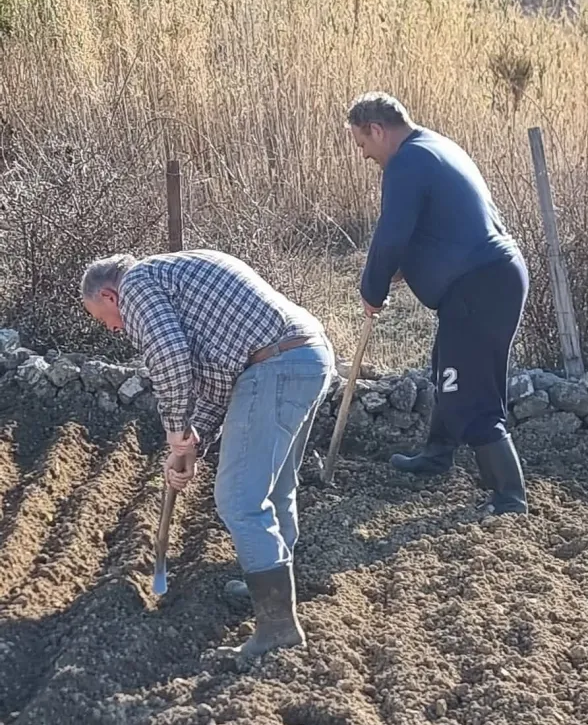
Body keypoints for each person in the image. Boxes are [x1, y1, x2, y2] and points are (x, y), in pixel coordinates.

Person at [80, 249, 334, 659]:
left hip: (277, 365)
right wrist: (192, 444)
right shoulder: (175, 276)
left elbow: (171, 358)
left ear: (110, 295)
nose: (111, 329)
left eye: (101, 318)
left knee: (238, 498)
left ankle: (277, 627)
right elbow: (217, 383)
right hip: (305, 356)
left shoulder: (137, 285)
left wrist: (176, 429)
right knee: (274, 488)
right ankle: (276, 587)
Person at [347, 92, 529, 516]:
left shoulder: (406, 163)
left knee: (469, 390)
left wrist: (373, 290)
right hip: (493, 278)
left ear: (377, 130)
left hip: (480, 285)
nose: (364, 155)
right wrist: (408, 266)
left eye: (362, 144)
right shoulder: (433, 146)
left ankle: (509, 497)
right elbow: (443, 226)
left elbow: (390, 235)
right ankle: (438, 454)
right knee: (448, 366)